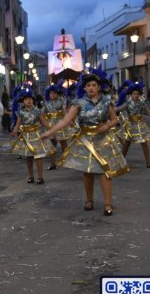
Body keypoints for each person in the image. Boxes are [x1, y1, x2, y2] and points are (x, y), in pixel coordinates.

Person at [41, 73, 129, 215]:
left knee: (105, 171)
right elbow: (65, 121)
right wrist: (49, 132)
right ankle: (89, 200)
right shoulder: (79, 103)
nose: (91, 88)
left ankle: (108, 203)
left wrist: (107, 126)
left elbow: (114, 119)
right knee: (87, 172)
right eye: (88, 85)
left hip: (103, 140)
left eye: (94, 85)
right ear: (85, 88)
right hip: (85, 140)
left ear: (99, 87)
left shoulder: (107, 102)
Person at [10, 88, 56, 184]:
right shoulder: (21, 112)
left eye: (30, 99)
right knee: (29, 157)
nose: (29, 100)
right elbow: (18, 124)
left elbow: (43, 122)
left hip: (36, 135)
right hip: (26, 136)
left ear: (33, 100)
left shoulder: (38, 111)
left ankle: (40, 177)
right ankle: (31, 176)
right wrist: (14, 131)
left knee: (38, 157)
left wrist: (51, 129)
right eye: (26, 99)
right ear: (23, 101)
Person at [116, 81, 150, 168]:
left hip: (140, 125)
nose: (136, 95)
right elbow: (119, 108)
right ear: (131, 95)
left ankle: (148, 161)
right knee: (127, 144)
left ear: (139, 94)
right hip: (130, 125)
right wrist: (110, 109)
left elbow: (149, 112)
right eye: (134, 94)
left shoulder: (142, 103)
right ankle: (121, 161)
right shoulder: (128, 103)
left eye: (137, 94)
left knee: (144, 143)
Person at [41, 83, 76, 170]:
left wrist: (70, 121)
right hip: (51, 125)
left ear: (57, 94)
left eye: (54, 93)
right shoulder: (46, 103)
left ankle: (66, 162)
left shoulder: (61, 102)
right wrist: (44, 123)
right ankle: (53, 164)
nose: (52, 95)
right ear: (48, 94)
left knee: (63, 144)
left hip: (60, 125)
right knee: (52, 145)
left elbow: (64, 113)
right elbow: (42, 114)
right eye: (51, 93)